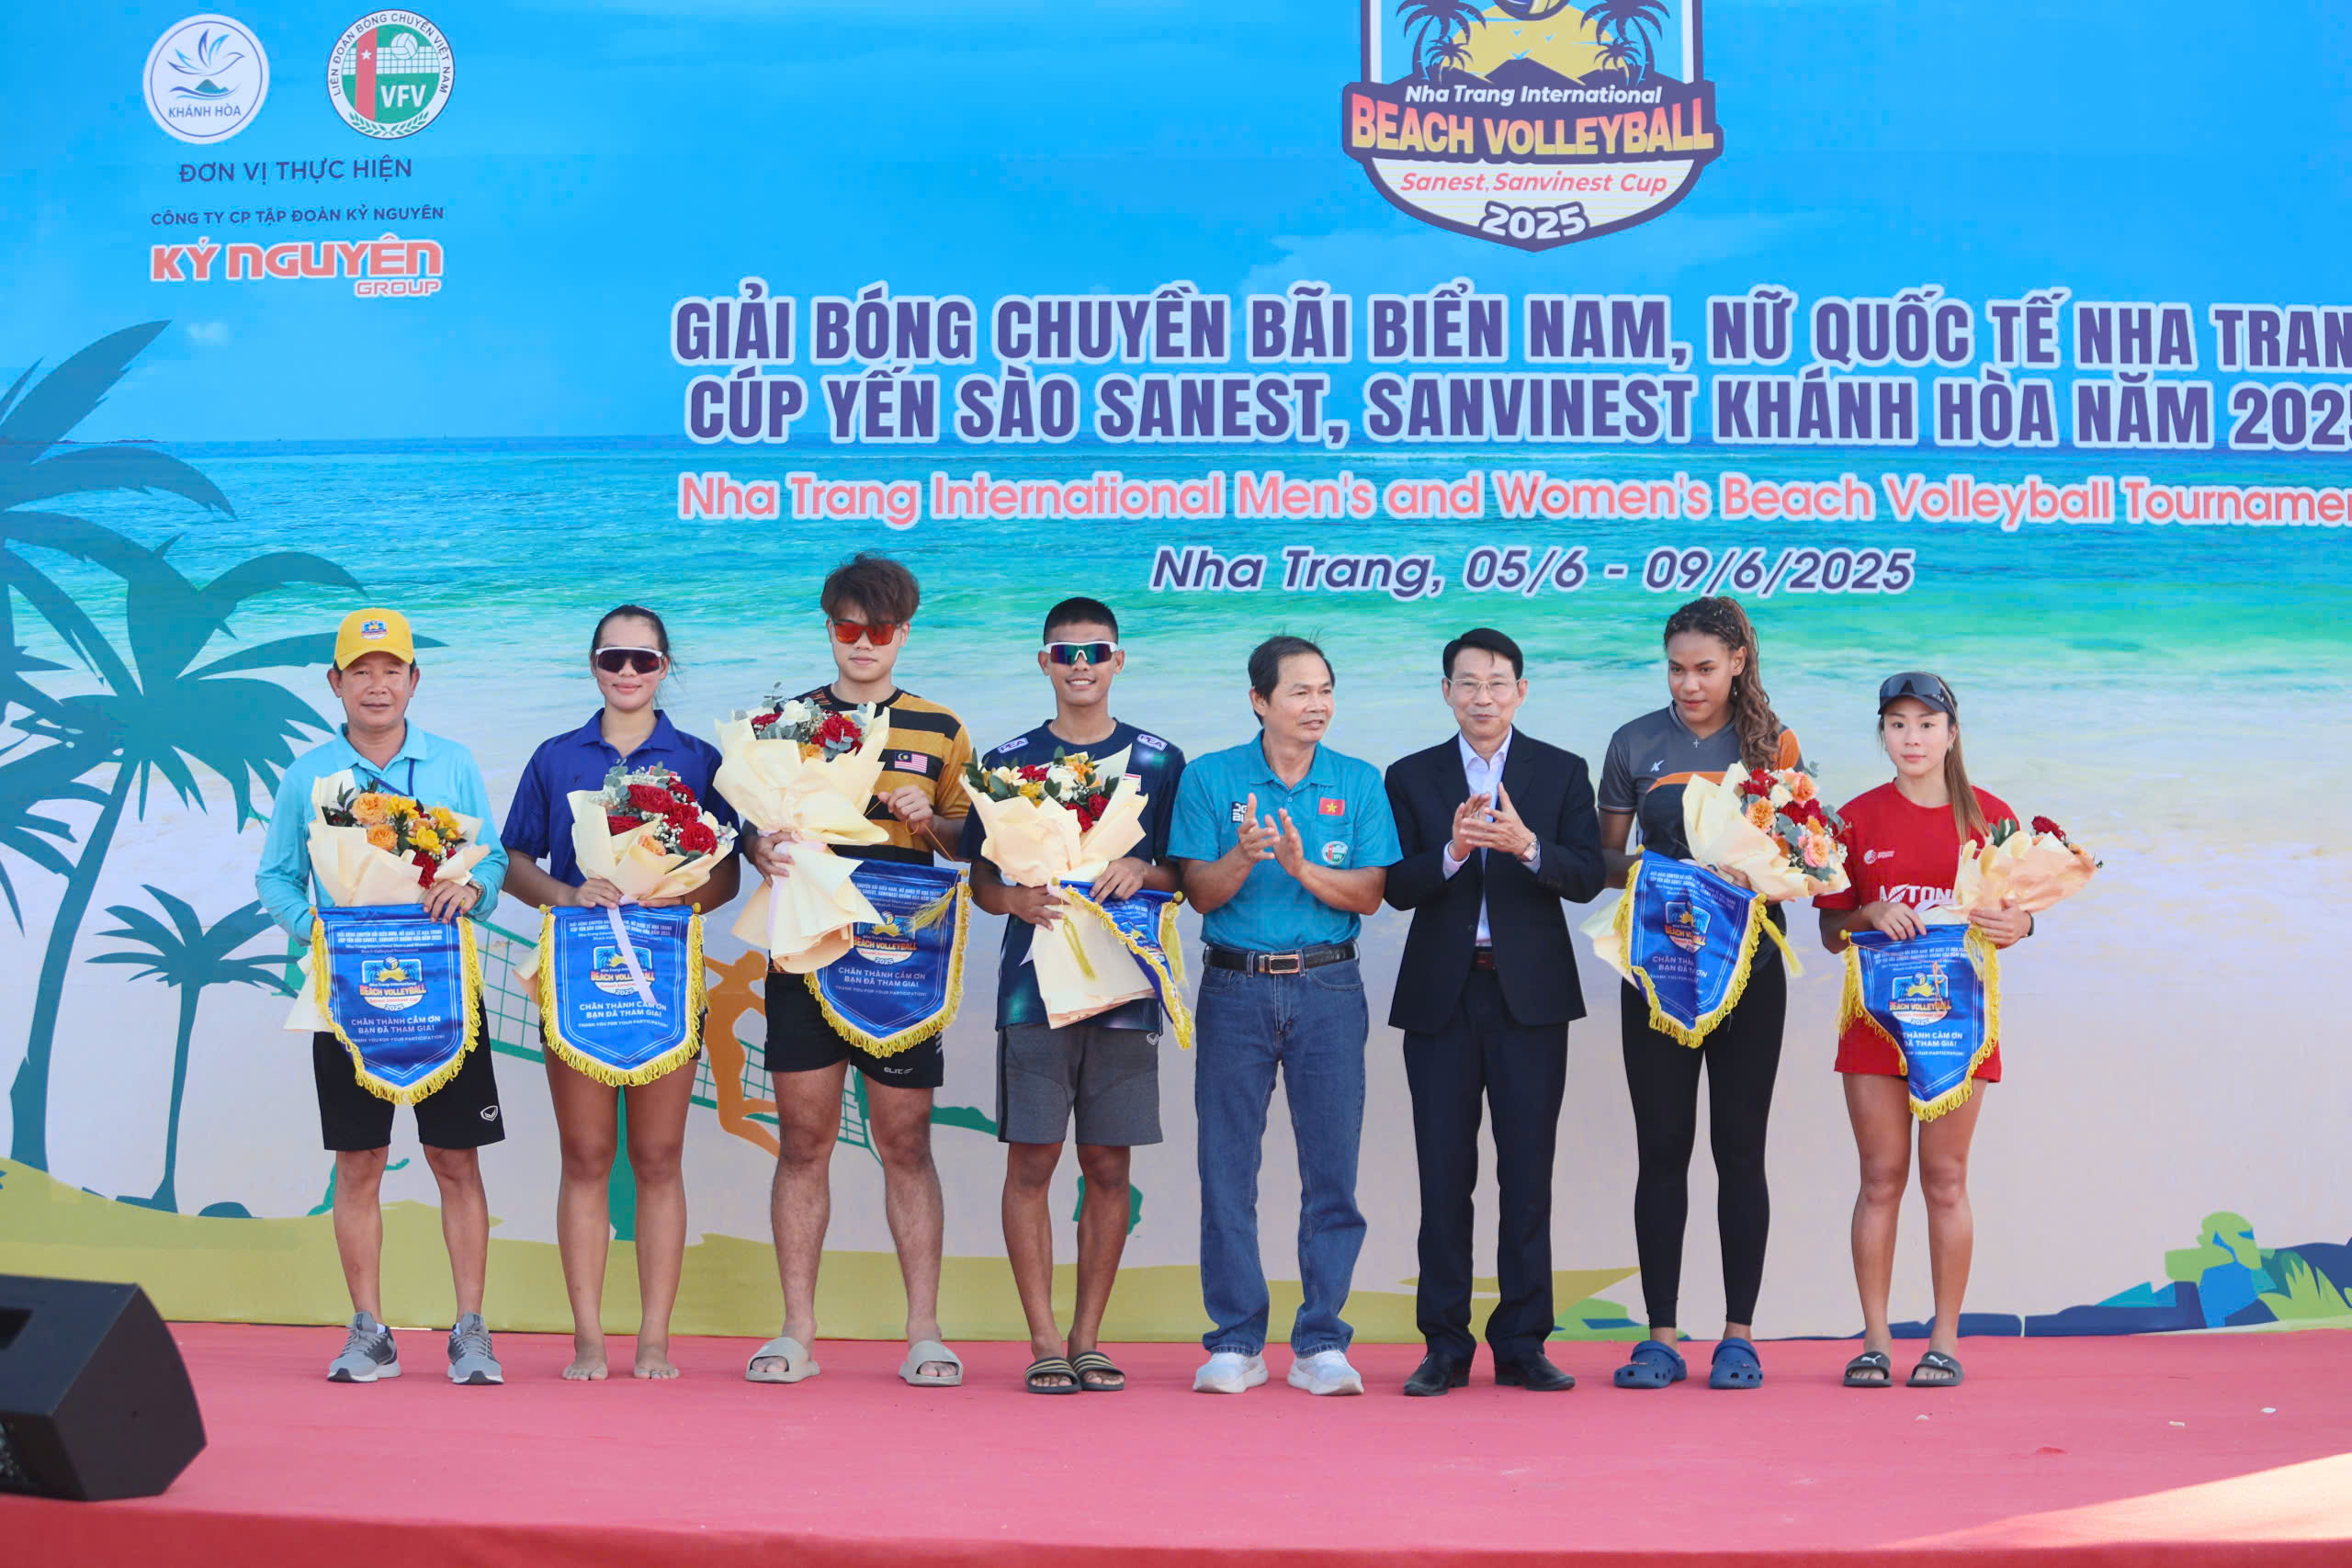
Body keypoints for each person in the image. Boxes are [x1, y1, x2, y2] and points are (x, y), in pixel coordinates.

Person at [254, 608, 511, 1386]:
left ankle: (471, 1329)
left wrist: (472, 888)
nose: (376, 684)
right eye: (359, 671)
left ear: (413, 680)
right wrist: (317, 930)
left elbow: (492, 863)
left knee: (453, 1156)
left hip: (444, 992)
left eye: (390, 669)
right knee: (359, 1159)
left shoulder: (453, 763)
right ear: (334, 683)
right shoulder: (310, 775)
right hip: (349, 995)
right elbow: (274, 877)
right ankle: (369, 1329)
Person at [744, 553, 974, 1388]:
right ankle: (797, 1330)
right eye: (847, 627)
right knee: (803, 1137)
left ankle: (924, 1331)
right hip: (805, 944)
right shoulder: (786, 719)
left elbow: (977, 845)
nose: (863, 642)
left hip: (900, 953)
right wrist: (758, 846)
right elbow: (751, 828)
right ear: (828, 628)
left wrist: (937, 821)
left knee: (904, 1140)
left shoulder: (941, 729)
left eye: (880, 629)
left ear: (903, 632)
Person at [501, 605, 741, 1382]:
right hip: (577, 974)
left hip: (667, 975)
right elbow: (513, 858)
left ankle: (654, 1341)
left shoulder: (700, 758)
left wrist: (682, 898)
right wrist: (568, 896)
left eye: (644, 660)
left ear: (666, 666)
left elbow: (729, 869)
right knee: (586, 1153)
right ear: (593, 664)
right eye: (614, 658)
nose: (628, 673)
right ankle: (588, 1340)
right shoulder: (556, 755)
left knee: (659, 1155)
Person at [964, 598, 1186, 1393]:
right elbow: (982, 879)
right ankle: (1044, 1338)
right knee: (1033, 1157)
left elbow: (1186, 872)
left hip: (1126, 986)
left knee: (1106, 1161)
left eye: (1096, 650)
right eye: (1066, 651)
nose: (1081, 664)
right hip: (1033, 990)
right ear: (1044, 662)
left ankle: (1090, 1336)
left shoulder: (1160, 761)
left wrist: (1147, 873)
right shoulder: (1007, 760)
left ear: (1119, 660)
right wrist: (1013, 902)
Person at [1170, 636, 1401, 1396]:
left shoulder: (1359, 781)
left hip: (1329, 988)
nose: (1318, 705)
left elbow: (1369, 894)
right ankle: (1235, 1339)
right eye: (1300, 692)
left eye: (1326, 690)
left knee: (1331, 1171)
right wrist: (1244, 856)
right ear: (1260, 701)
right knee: (1227, 1170)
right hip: (1235, 987)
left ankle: (1321, 1341)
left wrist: (1302, 868)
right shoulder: (1211, 778)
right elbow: (1201, 893)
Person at [1382, 627, 1607, 1396]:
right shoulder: (1411, 776)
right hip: (1442, 998)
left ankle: (1521, 1341)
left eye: (1498, 682)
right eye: (1468, 683)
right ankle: (1444, 1343)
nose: (1484, 696)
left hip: (1531, 999)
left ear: (1521, 690)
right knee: (1443, 1176)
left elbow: (1588, 875)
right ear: (1446, 691)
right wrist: (1449, 852)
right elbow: (1396, 886)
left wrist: (1526, 845)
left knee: (1527, 1176)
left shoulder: (1560, 770)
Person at [1596, 595, 1802, 1393]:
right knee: (1662, 1151)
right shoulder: (1632, 743)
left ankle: (1739, 1336)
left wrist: (1753, 872)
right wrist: (1664, 870)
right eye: (1677, 668)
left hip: (1750, 968)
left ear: (1738, 663)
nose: (1689, 683)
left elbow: (1803, 863)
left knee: (1738, 1152)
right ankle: (1659, 1336)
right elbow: (1603, 862)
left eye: (1705, 669)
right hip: (1658, 969)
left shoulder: (1774, 744)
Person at [1816, 671, 2031, 1391]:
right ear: (1883, 733)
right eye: (1897, 724)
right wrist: (1867, 915)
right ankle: (1873, 1339)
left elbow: (2022, 912)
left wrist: (2021, 923)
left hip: (1959, 1024)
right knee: (1880, 1178)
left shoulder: (1992, 817)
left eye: (1926, 723)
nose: (1912, 738)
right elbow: (1828, 928)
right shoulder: (1855, 819)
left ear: (1952, 732)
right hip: (1875, 1021)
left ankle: (1944, 1338)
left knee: (1946, 1179)